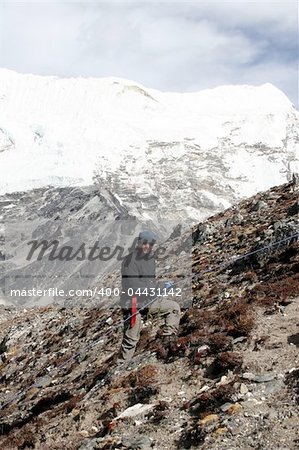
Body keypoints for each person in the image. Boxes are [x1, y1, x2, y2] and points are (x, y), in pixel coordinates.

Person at [118, 230, 181, 361]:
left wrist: (162, 286)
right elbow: (133, 286)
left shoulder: (150, 258)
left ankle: (168, 342)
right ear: (139, 242)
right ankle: (121, 367)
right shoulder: (129, 261)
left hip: (148, 301)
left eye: (150, 244)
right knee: (131, 338)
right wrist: (157, 289)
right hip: (133, 304)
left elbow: (149, 282)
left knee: (173, 308)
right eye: (145, 243)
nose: (147, 246)